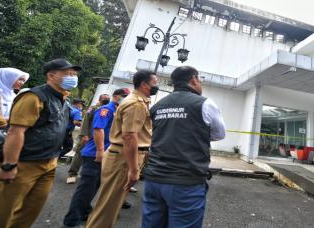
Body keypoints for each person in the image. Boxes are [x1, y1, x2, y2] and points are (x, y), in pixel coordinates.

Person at [0, 58, 81, 228]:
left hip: (48, 163)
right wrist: (9, 166)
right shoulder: (34, 97)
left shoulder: (64, 100)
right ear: (51, 75)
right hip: (24, 163)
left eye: (74, 74)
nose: (73, 77)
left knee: (30, 211)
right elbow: (15, 132)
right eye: (68, 74)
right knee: (1, 212)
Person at [142, 66, 226, 228]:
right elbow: (219, 134)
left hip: (153, 180)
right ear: (194, 79)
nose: (200, 83)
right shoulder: (205, 103)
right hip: (185, 183)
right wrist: (195, 133)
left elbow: (155, 133)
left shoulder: (158, 105)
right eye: (200, 79)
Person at [86, 70, 158, 228]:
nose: (157, 86)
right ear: (145, 84)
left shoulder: (139, 101)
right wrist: (133, 169)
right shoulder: (136, 104)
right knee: (108, 208)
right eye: (155, 83)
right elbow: (129, 136)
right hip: (124, 158)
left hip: (123, 156)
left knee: (111, 205)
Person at [62, 88, 129, 227]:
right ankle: (71, 221)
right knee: (86, 189)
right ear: (115, 96)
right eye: (124, 96)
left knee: (93, 187)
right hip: (95, 154)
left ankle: (85, 211)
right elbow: (98, 129)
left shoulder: (117, 111)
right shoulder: (106, 110)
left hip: (104, 154)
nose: (126, 98)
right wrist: (99, 151)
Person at [66, 93, 110, 184]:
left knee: (92, 156)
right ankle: (72, 174)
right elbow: (85, 121)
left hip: (98, 137)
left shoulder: (108, 109)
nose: (107, 100)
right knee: (79, 154)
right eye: (105, 99)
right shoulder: (93, 108)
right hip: (88, 135)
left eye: (108, 99)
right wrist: (84, 135)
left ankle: (85, 173)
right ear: (100, 99)